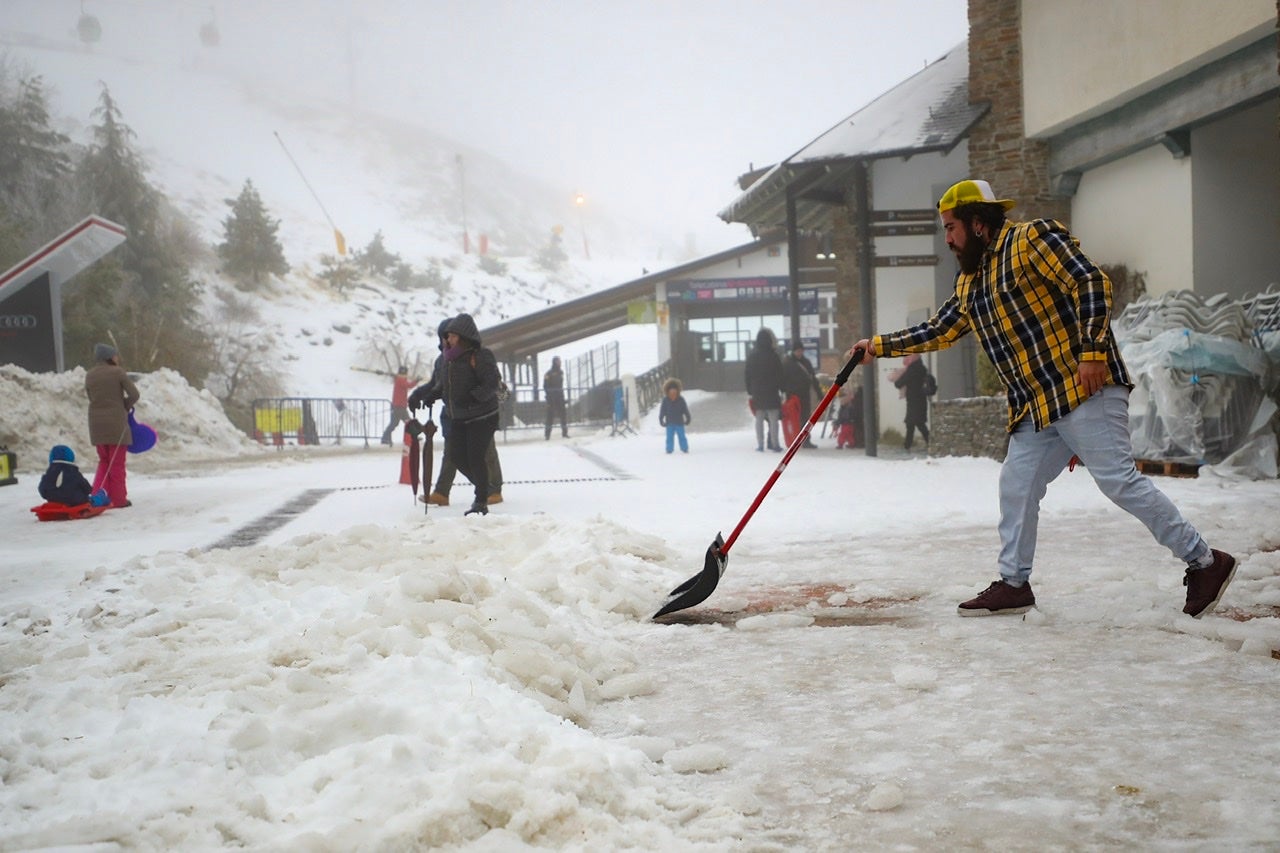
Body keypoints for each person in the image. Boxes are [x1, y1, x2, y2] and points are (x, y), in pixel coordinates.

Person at [850, 178, 1236, 619]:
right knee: (1017, 483)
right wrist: (878, 346)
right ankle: (1014, 583)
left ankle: (1205, 561)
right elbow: (939, 330)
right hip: (1038, 407)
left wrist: (1092, 351)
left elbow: (1089, 282)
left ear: (978, 223)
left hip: (1083, 386)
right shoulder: (970, 282)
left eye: (951, 227)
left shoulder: (1029, 240)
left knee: (1117, 480)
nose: (948, 239)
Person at [409, 313, 501, 515]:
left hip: (482, 415)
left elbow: (491, 383)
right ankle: (484, 488)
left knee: (480, 455)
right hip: (457, 416)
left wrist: (473, 398)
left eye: (449, 336)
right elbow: (438, 386)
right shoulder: (445, 361)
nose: (446, 340)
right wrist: (422, 395)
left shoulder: (480, 356)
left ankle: (484, 497)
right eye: (445, 336)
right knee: (458, 455)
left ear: (461, 336)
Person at [84, 342, 139, 509]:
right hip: (116, 424)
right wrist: (124, 405)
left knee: (104, 461)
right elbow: (135, 394)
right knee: (117, 463)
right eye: (115, 355)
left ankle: (98, 496)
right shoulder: (117, 372)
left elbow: (90, 396)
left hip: (96, 423)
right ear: (109, 357)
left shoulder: (90, 375)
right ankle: (119, 499)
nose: (117, 358)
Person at [744, 327, 783, 452]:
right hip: (772, 392)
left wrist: (750, 390)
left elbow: (747, 374)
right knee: (773, 420)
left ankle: (760, 444)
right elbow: (779, 374)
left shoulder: (752, 356)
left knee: (759, 419)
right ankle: (775, 443)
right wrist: (781, 388)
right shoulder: (774, 356)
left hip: (758, 392)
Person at [783, 343, 824, 449]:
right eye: (797, 350)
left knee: (806, 418)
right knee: (794, 418)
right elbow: (783, 379)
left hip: (804, 394)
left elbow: (813, 378)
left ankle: (806, 440)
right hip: (793, 396)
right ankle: (795, 439)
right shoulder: (787, 363)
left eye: (801, 350)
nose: (799, 352)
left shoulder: (806, 362)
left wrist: (819, 393)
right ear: (793, 351)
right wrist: (786, 393)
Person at [38, 445, 103, 507]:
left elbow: (42, 489)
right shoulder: (73, 472)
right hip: (75, 501)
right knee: (96, 499)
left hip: (53, 500)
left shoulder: (49, 473)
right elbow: (87, 488)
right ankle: (103, 498)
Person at [892, 353, 931, 451]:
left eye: (909, 356)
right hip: (919, 399)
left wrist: (899, 377)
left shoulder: (913, 369)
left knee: (916, 423)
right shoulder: (921, 368)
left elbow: (899, 383)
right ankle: (908, 445)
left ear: (915, 357)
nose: (907, 358)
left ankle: (928, 443)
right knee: (913, 424)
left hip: (914, 400)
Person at [380, 365, 419, 446]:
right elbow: (409, 385)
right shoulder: (400, 380)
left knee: (394, 423)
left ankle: (385, 438)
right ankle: (414, 436)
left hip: (398, 406)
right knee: (408, 421)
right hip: (399, 406)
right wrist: (416, 381)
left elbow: (407, 385)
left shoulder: (399, 379)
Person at [658, 378, 691, 454]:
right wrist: (661, 419)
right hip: (669, 423)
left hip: (679, 422)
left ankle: (684, 448)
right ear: (668, 391)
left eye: (674, 390)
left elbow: (685, 410)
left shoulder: (681, 399)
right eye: (671, 390)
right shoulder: (665, 400)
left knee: (682, 436)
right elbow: (662, 411)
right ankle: (669, 449)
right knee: (669, 437)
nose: (673, 391)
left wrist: (688, 418)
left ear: (677, 390)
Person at [543, 356, 568, 440]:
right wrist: (549, 396)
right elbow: (545, 386)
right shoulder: (548, 374)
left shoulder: (561, 372)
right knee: (550, 416)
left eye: (560, 361)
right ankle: (547, 435)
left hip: (560, 397)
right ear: (554, 362)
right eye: (558, 361)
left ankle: (565, 433)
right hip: (551, 398)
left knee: (563, 415)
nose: (560, 363)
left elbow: (561, 385)